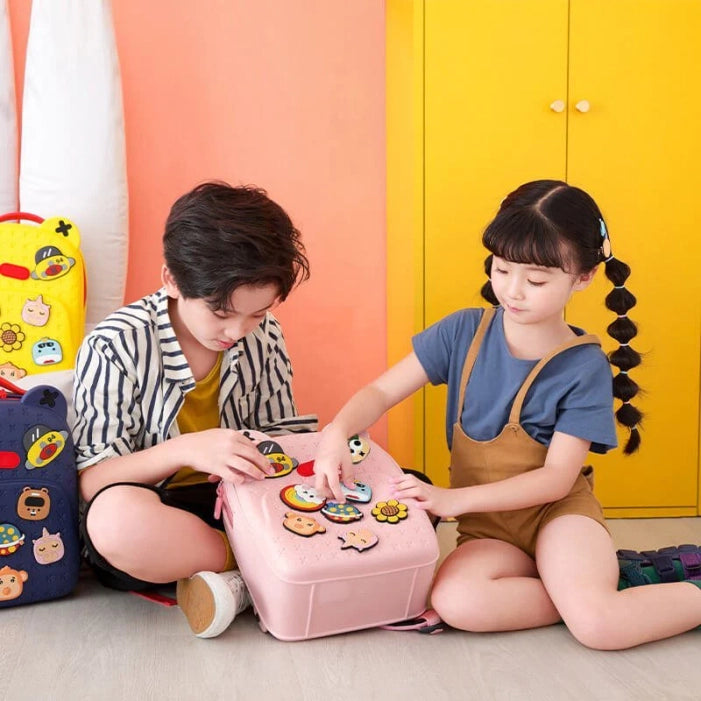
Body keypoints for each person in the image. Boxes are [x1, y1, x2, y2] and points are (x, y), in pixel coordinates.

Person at [313, 180, 701, 649]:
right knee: (456, 602)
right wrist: (337, 431)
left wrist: (451, 501)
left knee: (600, 627)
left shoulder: (583, 366)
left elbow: (556, 480)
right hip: (489, 531)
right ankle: (598, 585)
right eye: (501, 270)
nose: (513, 291)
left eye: (536, 281)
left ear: (583, 277)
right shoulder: (461, 332)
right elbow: (379, 391)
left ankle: (599, 593)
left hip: (557, 517)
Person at [73, 181, 317, 638]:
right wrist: (186, 449)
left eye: (257, 314)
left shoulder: (264, 336)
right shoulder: (116, 343)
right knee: (115, 522)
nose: (238, 331)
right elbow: (91, 479)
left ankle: (237, 579)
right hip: (160, 511)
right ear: (171, 279)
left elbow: (281, 438)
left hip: (242, 504)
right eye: (221, 314)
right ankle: (267, 569)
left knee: (405, 492)